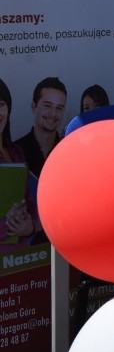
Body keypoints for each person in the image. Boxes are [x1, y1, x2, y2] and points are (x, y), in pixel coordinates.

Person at [0, 78, 41, 251]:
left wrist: (30, 226)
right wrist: (6, 225)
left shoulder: (17, 152)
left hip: (21, 257)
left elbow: (29, 202)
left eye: (0, 104)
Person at [14, 76, 67, 177]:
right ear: (34, 106)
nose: (53, 113)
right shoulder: (15, 153)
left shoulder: (69, 152)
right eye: (47, 105)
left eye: (59, 108)